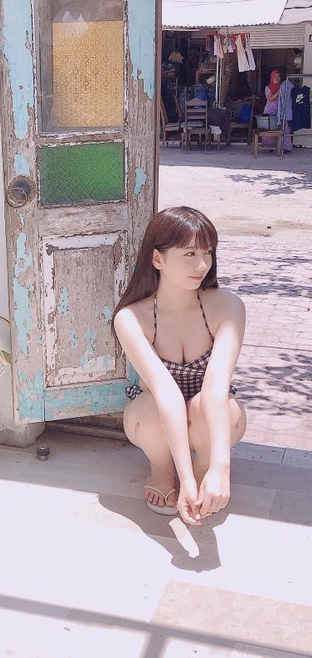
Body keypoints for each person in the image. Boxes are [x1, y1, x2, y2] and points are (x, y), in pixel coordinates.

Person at [113, 207, 246, 526]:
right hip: (156, 412)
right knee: (148, 409)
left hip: (208, 412)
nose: (202, 265)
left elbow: (216, 388)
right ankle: (163, 469)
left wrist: (221, 467)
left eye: (207, 253)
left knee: (218, 407)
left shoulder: (227, 306)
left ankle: (204, 469)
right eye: (189, 254)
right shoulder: (131, 318)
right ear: (158, 259)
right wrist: (183, 478)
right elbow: (166, 392)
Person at [262, 70, 292, 152]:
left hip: (280, 110)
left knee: (284, 127)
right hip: (270, 110)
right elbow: (269, 98)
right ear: (271, 78)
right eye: (275, 77)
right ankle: (269, 147)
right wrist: (278, 93)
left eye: (278, 77)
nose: (277, 78)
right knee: (270, 128)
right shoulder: (268, 88)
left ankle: (286, 147)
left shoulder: (282, 87)